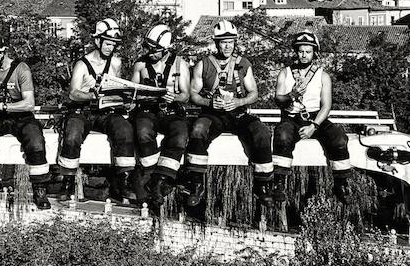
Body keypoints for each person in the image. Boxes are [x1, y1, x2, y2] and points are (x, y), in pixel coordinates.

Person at [184, 20, 275, 207]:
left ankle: (263, 184)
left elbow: (254, 93)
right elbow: (193, 94)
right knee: (198, 130)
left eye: (231, 42)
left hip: (238, 113)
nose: (227, 46)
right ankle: (195, 183)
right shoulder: (204, 65)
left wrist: (239, 101)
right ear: (216, 43)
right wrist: (210, 102)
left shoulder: (244, 64)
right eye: (224, 42)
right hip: (212, 114)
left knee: (262, 133)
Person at [56, 19, 143, 203]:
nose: (110, 48)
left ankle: (123, 180)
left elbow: (117, 86)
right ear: (98, 41)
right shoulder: (82, 64)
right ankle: (68, 180)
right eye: (108, 43)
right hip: (83, 110)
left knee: (124, 130)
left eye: (113, 45)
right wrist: (92, 96)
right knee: (72, 135)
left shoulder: (115, 63)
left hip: (106, 111)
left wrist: (123, 99)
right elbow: (73, 93)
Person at [0, 31, 51, 210]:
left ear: (0, 54)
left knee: (35, 140)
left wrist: (1, 106)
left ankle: (39, 189)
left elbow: (29, 104)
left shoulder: (21, 69)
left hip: (20, 116)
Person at [272, 30, 352, 203]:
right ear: (296, 52)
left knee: (339, 139)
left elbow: (327, 106)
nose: (304, 55)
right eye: (301, 51)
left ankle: (341, 183)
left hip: (316, 118)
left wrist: (313, 126)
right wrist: (292, 94)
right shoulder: (285, 73)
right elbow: (278, 99)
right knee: (282, 136)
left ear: (314, 53)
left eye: (308, 52)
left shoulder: (323, 76)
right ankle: (279, 183)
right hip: (291, 116)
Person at [130, 24, 192, 208]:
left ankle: (162, 178)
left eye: (154, 50)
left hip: (171, 110)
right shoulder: (140, 65)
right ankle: (149, 173)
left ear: (165, 49)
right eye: (147, 48)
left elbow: (186, 95)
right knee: (142, 130)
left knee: (180, 134)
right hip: (148, 110)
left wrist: (174, 96)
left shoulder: (180, 65)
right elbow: (132, 92)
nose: (149, 52)